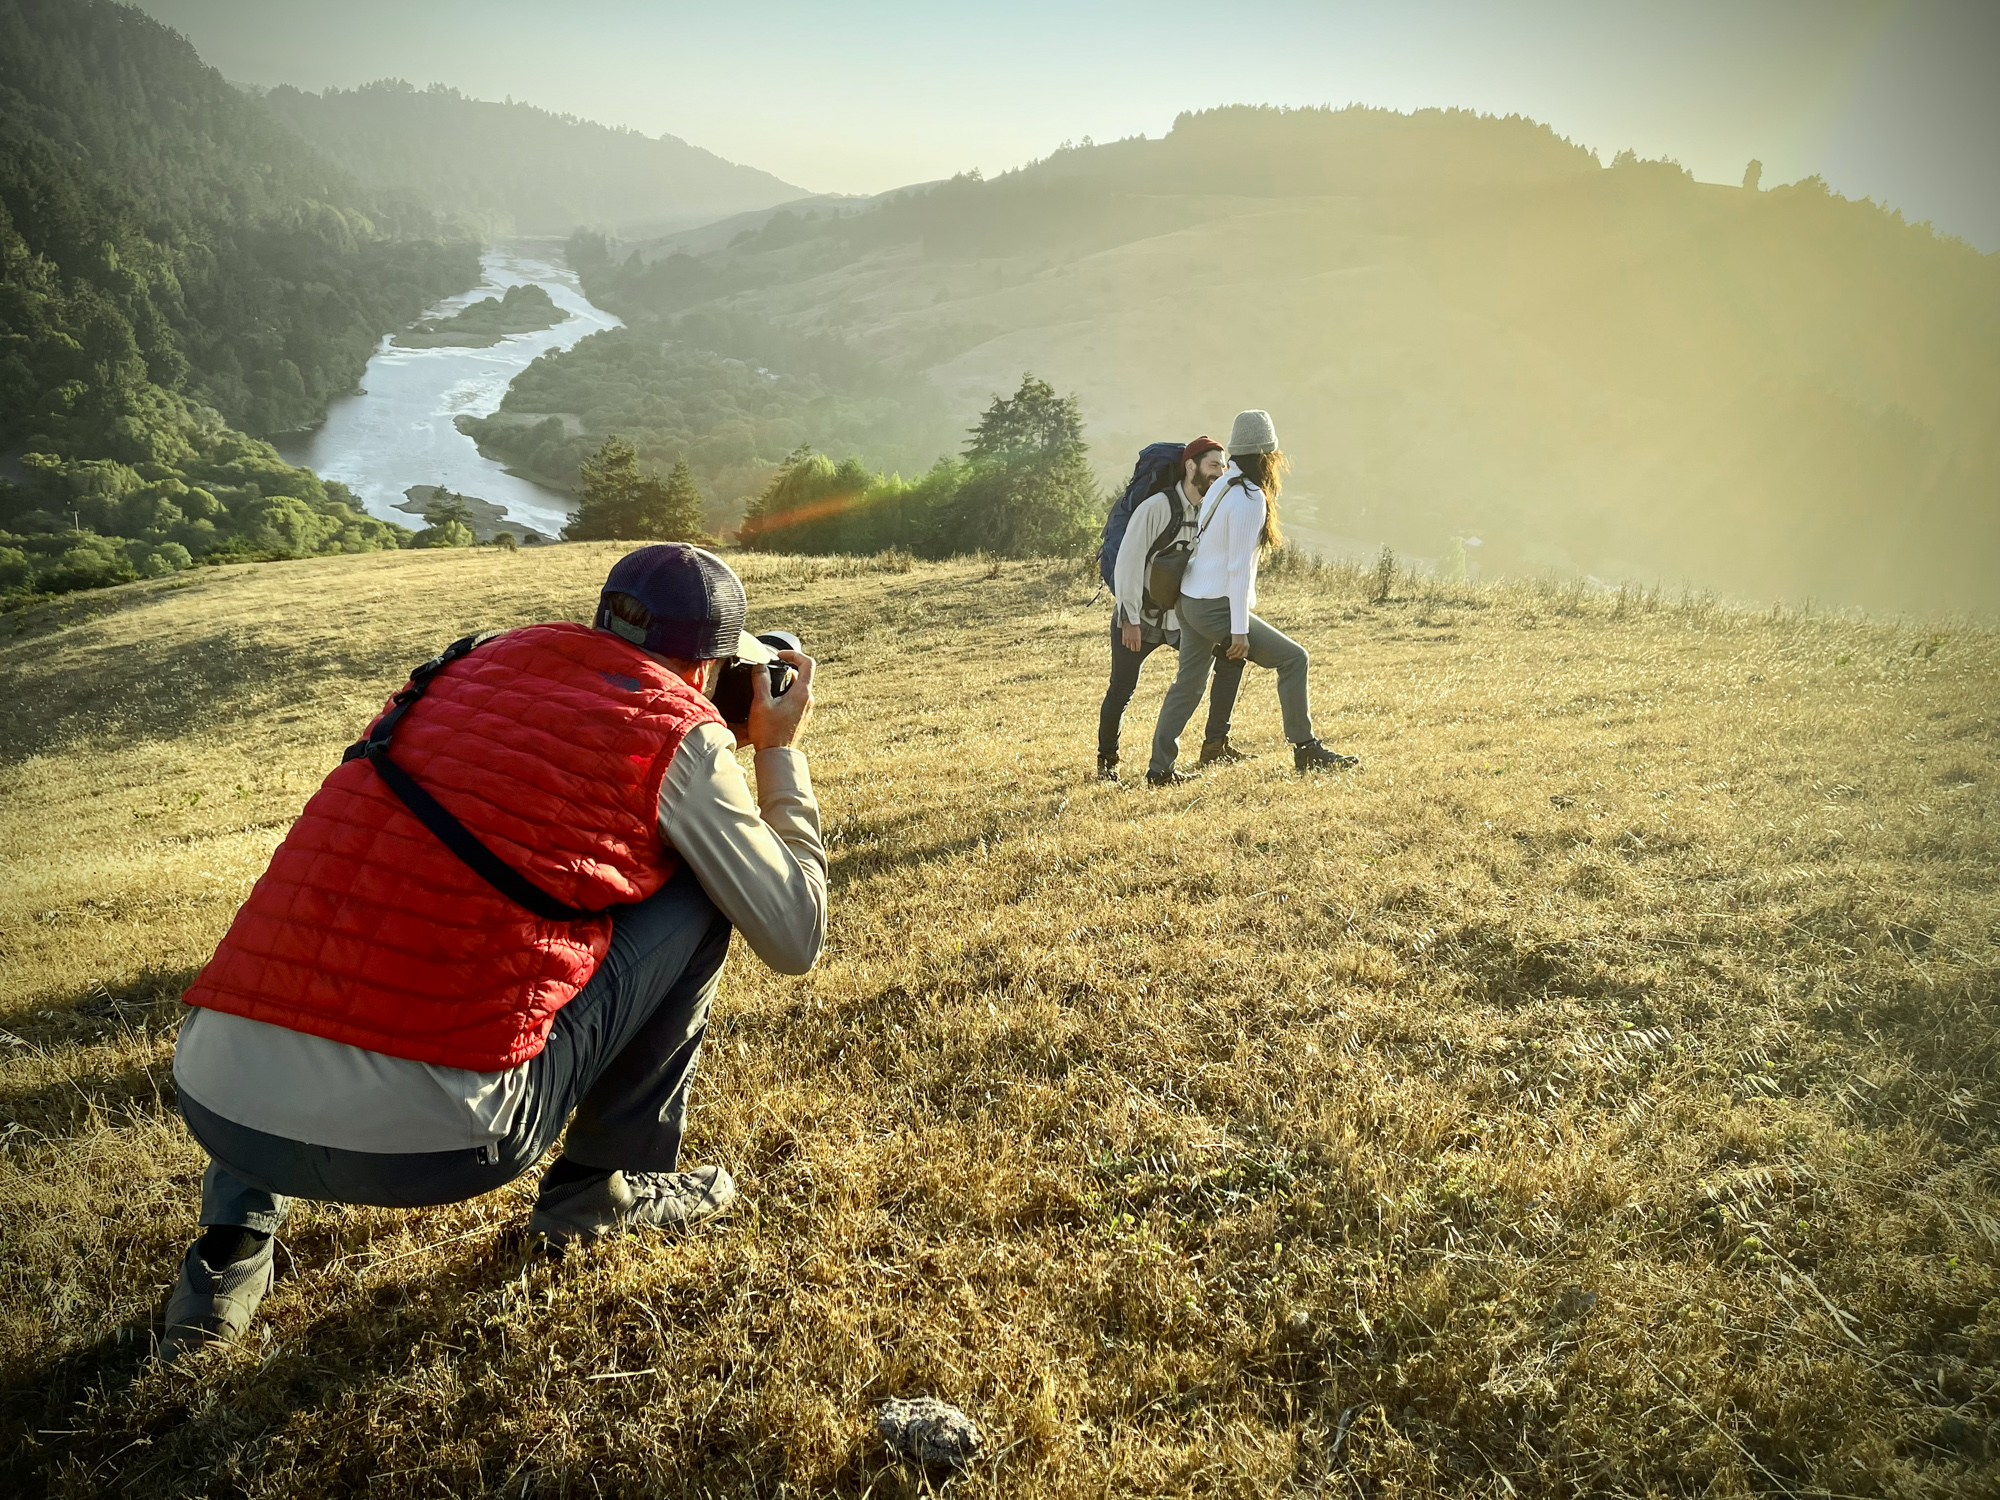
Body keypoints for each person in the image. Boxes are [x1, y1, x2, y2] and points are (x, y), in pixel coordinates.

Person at [157, 544, 825, 1361]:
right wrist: (777, 750)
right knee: (699, 894)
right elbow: (794, 938)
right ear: (708, 667)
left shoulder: (460, 671)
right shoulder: (676, 731)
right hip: (436, 1147)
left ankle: (225, 1254)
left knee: (339, 908)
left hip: (217, 1104)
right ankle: (596, 1191)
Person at [1146, 410, 1358, 784]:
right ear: (1267, 455)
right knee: (1294, 659)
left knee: (1188, 684)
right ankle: (1305, 749)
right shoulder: (1248, 496)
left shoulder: (1223, 483)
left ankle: (1159, 769)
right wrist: (1239, 631)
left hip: (1190, 599)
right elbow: (1238, 568)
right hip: (1214, 606)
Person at [1098, 436, 1248, 781]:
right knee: (1121, 688)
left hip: (1183, 618)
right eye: (1213, 465)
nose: (1219, 473)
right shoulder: (1156, 508)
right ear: (1190, 466)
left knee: (1231, 657)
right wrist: (1130, 619)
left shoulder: (1213, 511)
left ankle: (1215, 745)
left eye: (1223, 468)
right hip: (1142, 617)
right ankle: (1107, 763)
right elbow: (1129, 564)